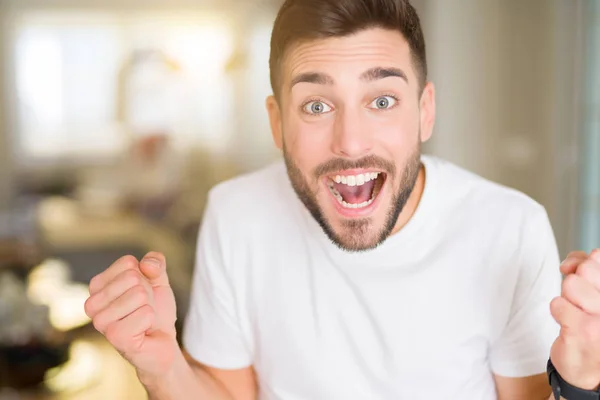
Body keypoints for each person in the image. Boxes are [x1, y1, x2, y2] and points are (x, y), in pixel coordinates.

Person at [84, 0, 600, 399]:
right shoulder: (235, 214)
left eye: (381, 100)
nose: (350, 142)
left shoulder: (510, 228)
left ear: (424, 111)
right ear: (276, 123)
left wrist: (582, 379)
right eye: (315, 104)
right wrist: (161, 365)